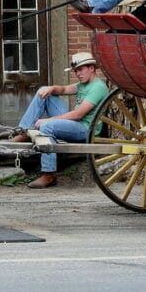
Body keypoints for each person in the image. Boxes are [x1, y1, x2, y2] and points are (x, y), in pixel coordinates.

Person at [12, 51, 110, 189]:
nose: (78, 74)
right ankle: (24, 131)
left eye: (80, 70)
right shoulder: (83, 84)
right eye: (76, 71)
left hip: (85, 129)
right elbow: (63, 89)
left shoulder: (98, 87)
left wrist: (48, 120)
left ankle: (49, 174)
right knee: (44, 92)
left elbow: (78, 115)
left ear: (92, 68)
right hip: (76, 123)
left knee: (48, 127)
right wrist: (51, 88)